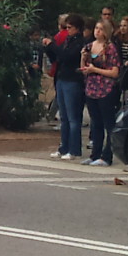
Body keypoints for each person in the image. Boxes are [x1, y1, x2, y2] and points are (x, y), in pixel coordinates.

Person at [41, 13, 88, 160]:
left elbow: (67, 56)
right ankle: (64, 147)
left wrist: (53, 46)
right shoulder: (68, 40)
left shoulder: (79, 42)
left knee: (73, 117)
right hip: (62, 78)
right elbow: (58, 57)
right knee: (64, 116)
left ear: (77, 28)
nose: (68, 30)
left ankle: (74, 149)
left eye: (70, 27)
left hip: (72, 80)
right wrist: (49, 49)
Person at [81, 18, 122, 166]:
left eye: (100, 29)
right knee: (96, 122)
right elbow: (84, 69)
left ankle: (107, 155)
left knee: (108, 123)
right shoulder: (89, 46)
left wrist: (95, 70)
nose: (97, 31)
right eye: (96, 28)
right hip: (91, 88)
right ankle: (95, 154)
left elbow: (114, 72)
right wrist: (83, 58)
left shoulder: (110, 48)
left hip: (105, 88)